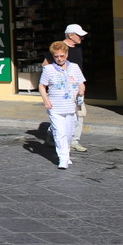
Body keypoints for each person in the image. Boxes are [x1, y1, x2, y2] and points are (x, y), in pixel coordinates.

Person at [39, 41, 86, 170]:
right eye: (56, 56)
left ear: (66, 54)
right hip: (55, 106)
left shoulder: (74, 67)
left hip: (71, 106)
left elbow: (81, 82)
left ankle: (66, 154)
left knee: (69, 133)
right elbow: (42, 86)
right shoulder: (48, 69)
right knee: (60, 133)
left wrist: (81, 90)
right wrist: (46, 99)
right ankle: (63, 159)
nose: (59, 59)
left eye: (62, 56)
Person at [43, 24, 89, 153]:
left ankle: (74, 141)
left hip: (76, 89)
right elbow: (45, 66)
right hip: (60, 90)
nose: (82, 38)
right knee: (60, 114)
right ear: (70, 35)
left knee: (79, 114)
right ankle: (53, 136)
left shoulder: (77, 49)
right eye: (79, 35)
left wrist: (81, 86)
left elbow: (78, 70)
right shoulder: (58, 48)